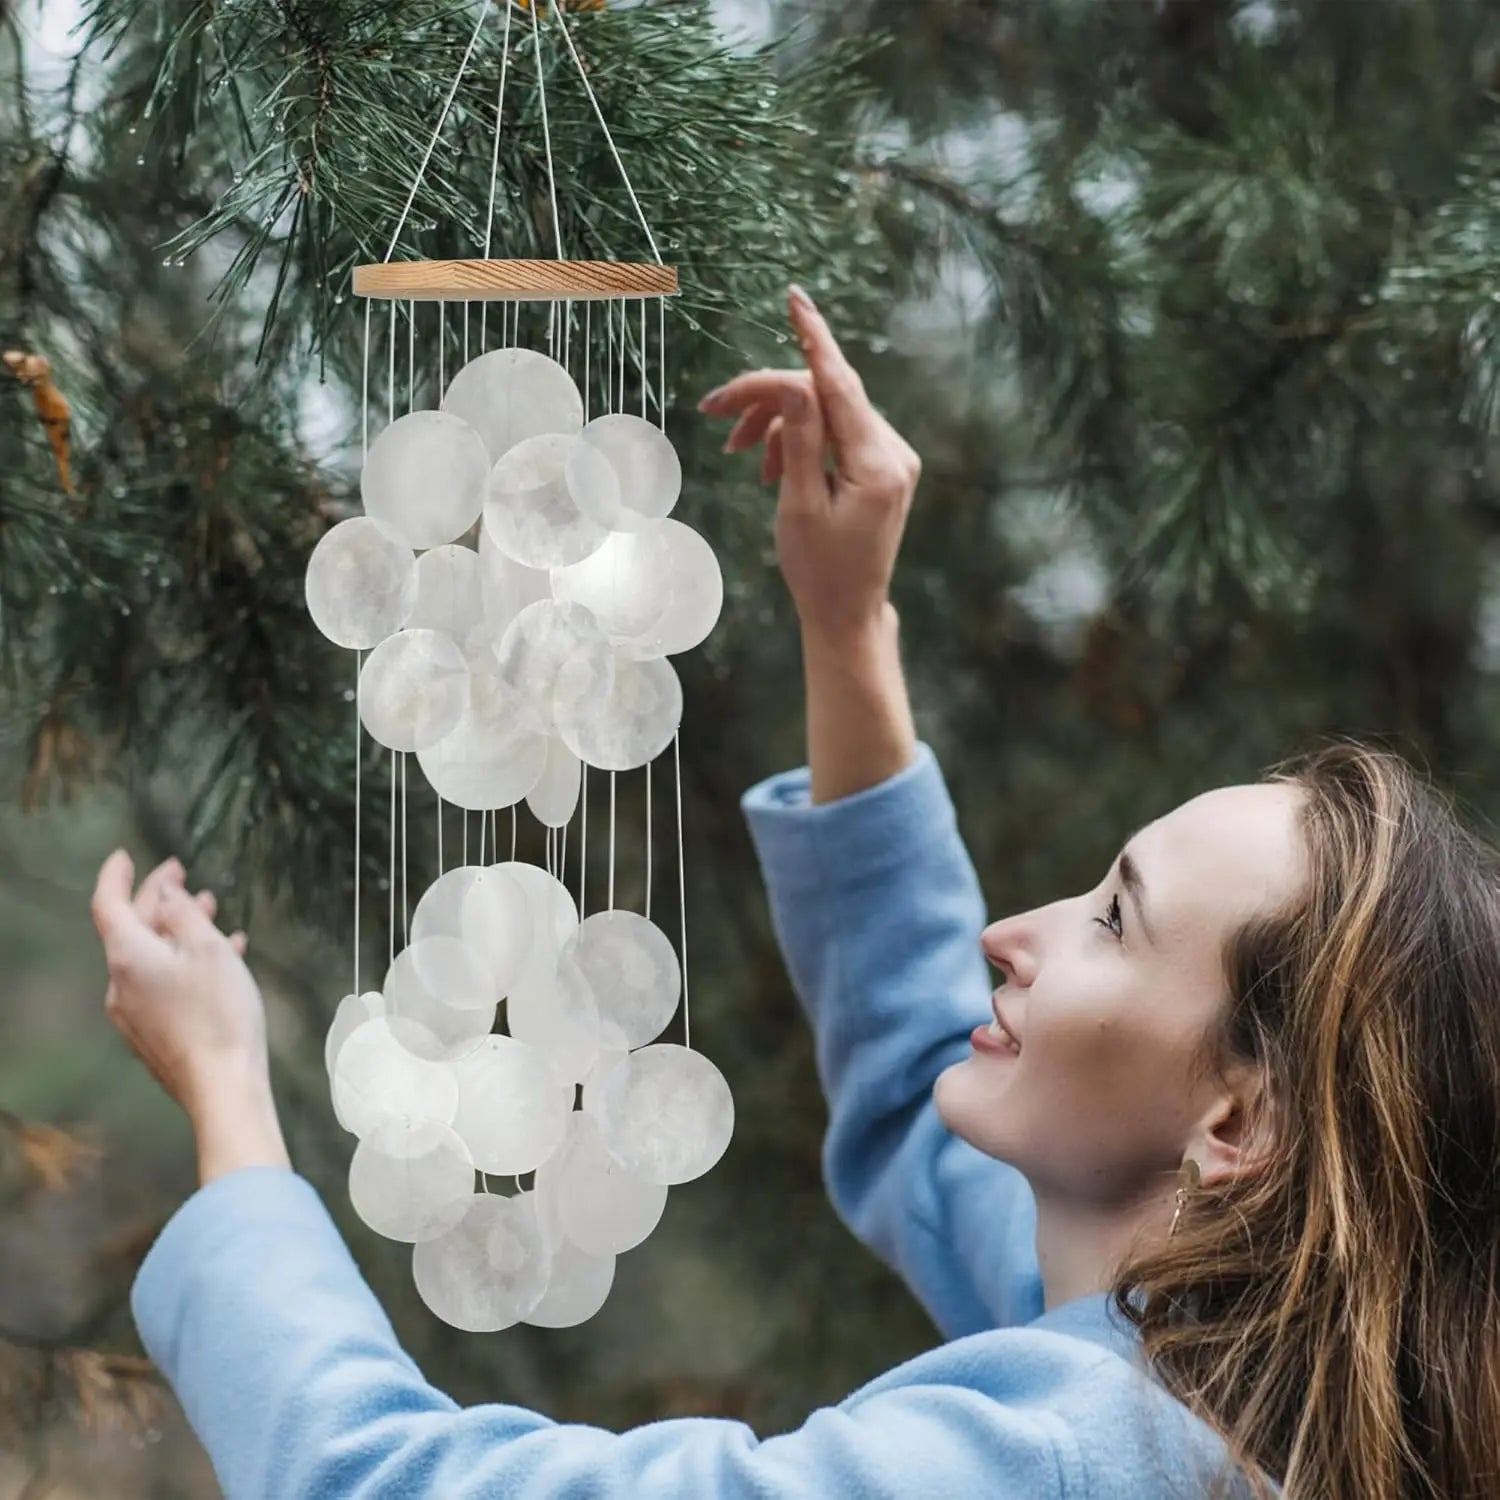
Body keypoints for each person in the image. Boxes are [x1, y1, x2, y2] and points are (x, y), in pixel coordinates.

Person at [88, 287, 1500, 1500]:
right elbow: (911, 1087)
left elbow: (393, 1489)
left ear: (1238, 1123)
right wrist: (847, 622)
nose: (1013, 933)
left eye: (1113, 918)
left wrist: (227, 1092)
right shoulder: (1228, 1389)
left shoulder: (1057, 1460)